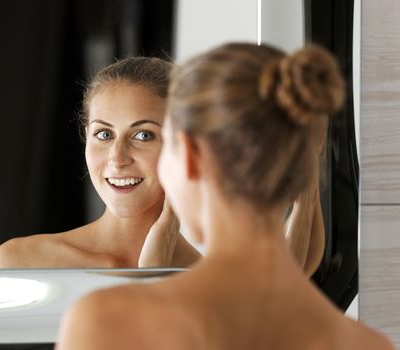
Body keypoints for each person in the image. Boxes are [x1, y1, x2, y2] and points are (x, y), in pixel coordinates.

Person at [57, 43, 394, 349]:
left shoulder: (106, 320)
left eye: (149, 136)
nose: (118, 157)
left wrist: (149, 283)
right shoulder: (366, 344)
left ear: (187, 155)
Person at [0, 56, 201, 269]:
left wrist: (155, 271)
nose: (117, 159)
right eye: (104, 134)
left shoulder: (211, 283)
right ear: (86, 136)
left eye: (143, 135)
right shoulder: (17, 263)